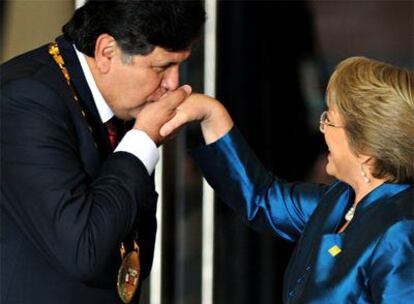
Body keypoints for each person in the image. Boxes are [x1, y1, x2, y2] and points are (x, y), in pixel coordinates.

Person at [161, 56, 414, 303]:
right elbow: (261, 199)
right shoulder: (340, 200)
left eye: (330, 120)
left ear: (366, 149)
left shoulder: (400, 230)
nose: (322, 128)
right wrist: (210, 113)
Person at [1, 1, 205, 303]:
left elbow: (135, 256)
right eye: (162, 67)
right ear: (107, 51)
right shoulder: (28, 100)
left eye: (179, 65)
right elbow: (85, 251)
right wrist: (143, 142)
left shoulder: (120, 103)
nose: (173, 85)